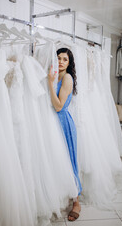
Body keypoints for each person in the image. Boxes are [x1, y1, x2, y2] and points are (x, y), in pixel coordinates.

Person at [48, 47, 82, 222]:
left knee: (69, 161)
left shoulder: (67, 77)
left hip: (63, 122)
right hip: (51, 122)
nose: (61, 62)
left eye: (65, 59)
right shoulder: (55, 74)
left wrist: (49, 83)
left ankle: (76, 201)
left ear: (69, 63)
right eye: (58, 58)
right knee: (56, 161)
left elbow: (59, 106)